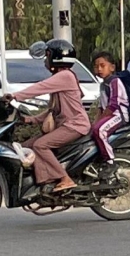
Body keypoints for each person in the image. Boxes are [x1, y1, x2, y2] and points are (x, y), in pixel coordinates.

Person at [17, 39, 91, 192]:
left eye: (47, 56)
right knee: (27, 146)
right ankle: (45, 182)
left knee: (40, 145)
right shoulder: (62, 77)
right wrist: (29, 120)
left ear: (55, 57)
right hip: (66, 125)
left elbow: (39, 88)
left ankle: (65, 179)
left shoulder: (65, 76)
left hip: (75, 125)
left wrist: (14, 96)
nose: (45, 60)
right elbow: (53, 112)